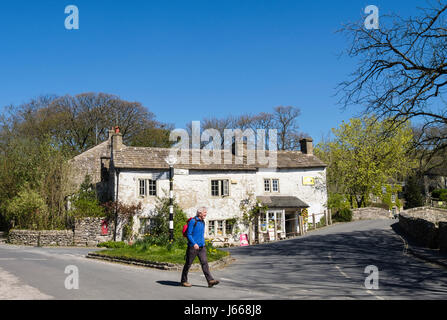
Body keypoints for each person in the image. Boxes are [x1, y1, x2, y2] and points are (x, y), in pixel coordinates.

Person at [181, 207, 220, 288]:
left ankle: (210, 281)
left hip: (202, 247)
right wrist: (194, 243)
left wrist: (203, 243)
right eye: (204, 212)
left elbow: (200, 234)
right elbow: (189, 234)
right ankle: (184, 281)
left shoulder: (203, 221)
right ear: (199, 213)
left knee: (204, 263)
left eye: (206, 212)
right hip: (193, 247)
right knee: (188, 264)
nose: (206, 214)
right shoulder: (193, 221)